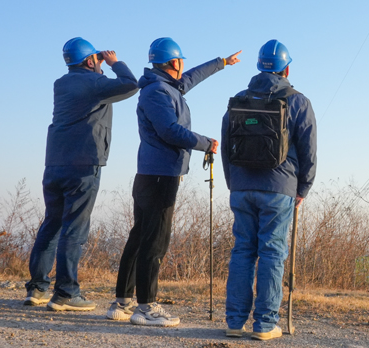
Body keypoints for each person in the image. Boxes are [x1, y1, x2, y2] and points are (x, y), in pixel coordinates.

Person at [108, 37, 241, 327]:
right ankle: (145, 307)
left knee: (140, 235)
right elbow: (169, 131)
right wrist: (205, 143)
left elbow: (192, 77)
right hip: (160, 176)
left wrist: (222, 63)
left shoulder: (166, 86)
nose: (184, 68)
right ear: (173, 63)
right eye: (181, 61)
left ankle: (122, 301)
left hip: (152, 174)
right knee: (154, 242)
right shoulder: (158, 92)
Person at [25, 37, 138, 311]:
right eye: (96, 59)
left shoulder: (61, 83)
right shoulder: (94, 83)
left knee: (51, 224)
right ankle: (66, 293)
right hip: (84, 163)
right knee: (74, 228)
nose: (100, 63)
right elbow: (132, 84)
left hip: (54, 163)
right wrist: (114, 63)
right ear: (89, 61)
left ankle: (38, 288)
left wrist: (100, 64)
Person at [221, 39, 317, 341]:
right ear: (286, 69)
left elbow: (226, 146)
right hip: (279, 188)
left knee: (242, 251)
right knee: (273, 253)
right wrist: (303, 188)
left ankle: (235, 322)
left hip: (242, 187)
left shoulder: (238, 100)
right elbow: (309, 150)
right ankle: (264, 325)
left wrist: (234, 183)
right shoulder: (297, 101)